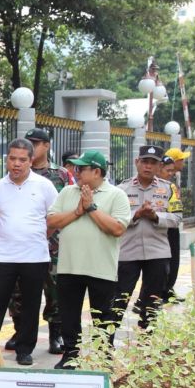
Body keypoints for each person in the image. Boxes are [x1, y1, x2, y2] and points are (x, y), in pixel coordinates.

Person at [0, 138, 58, 367]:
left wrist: (37, 235)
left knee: (31, 305)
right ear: (7, 160)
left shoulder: (44, 186)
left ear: (31, 161)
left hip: (35, 256)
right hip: (4, 257)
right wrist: (13, 235)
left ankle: (24, 349)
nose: (16, 164)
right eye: (12, 159)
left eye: (22, 159)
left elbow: (53, 219)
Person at [46, 151, 131, 369]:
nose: (76, 172)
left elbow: (117, 228)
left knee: (103, 317)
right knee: (69, 316)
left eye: (82, 168)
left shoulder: (116, 195)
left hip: (101, 269)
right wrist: (78, 211)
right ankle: (71, 355)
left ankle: (102, 358)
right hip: (69, 267)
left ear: (97, 172)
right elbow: (52, 220)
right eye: (76, 167)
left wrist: (91, 207)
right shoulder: (67, 192)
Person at [4, 128, 70, 355]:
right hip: (21, 247)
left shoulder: (60, 175)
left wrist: (47, 232)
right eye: (29, 142)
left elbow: (67, 207)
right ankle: (20, 332)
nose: (33, 146)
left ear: (47, 146)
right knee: (18, 293)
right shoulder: (14, 174)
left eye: (37, 143)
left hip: (52, 246)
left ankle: (56, 334)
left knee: (54, 291)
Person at [105, 144, 181, 333]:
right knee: (119, 298)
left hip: (158, 252)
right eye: (144, 162)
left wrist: (156, 216)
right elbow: (114, 220)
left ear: (158, 166)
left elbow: (177, 218)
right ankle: (107, 341)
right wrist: (136, 215)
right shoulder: (121, 189)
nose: (148, 166)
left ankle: (147, 339)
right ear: (137, 162)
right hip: (127, 253)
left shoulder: (169, 189)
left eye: (153, 163)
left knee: (152, 300)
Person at [163, 147, 190, 300]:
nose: (183, 162)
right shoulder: (163, 183)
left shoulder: (172, 180)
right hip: (165, 226)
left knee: (173, 259)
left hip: (172, 224)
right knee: (167, 261)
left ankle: (168, 289)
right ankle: (161, 292)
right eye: (182, 159)